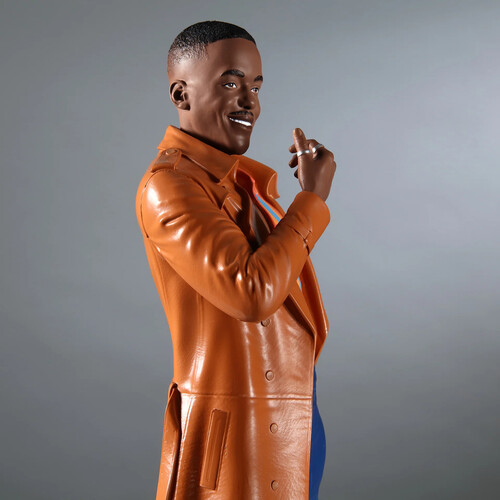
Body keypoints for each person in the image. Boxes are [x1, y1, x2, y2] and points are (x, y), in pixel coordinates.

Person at [135, 20, 336, 500]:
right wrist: (311, 200)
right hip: (241, 432)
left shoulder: (243, 183)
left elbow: (279, 278)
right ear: (181, 95)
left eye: (256, 87)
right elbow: (252, 293)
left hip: (290, 417)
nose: (250, 102)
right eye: (231, 84)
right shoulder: (169, 187)